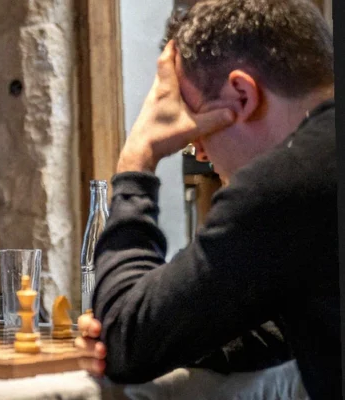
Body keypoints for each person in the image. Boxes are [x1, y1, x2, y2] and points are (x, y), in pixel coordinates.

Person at [72, 0, 337, 399]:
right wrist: (182, 328)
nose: (197, 149)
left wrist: (138, 157)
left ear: (241, 95)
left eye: (192, 119)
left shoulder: (286, 183)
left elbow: (126, 340)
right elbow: (284, 322)